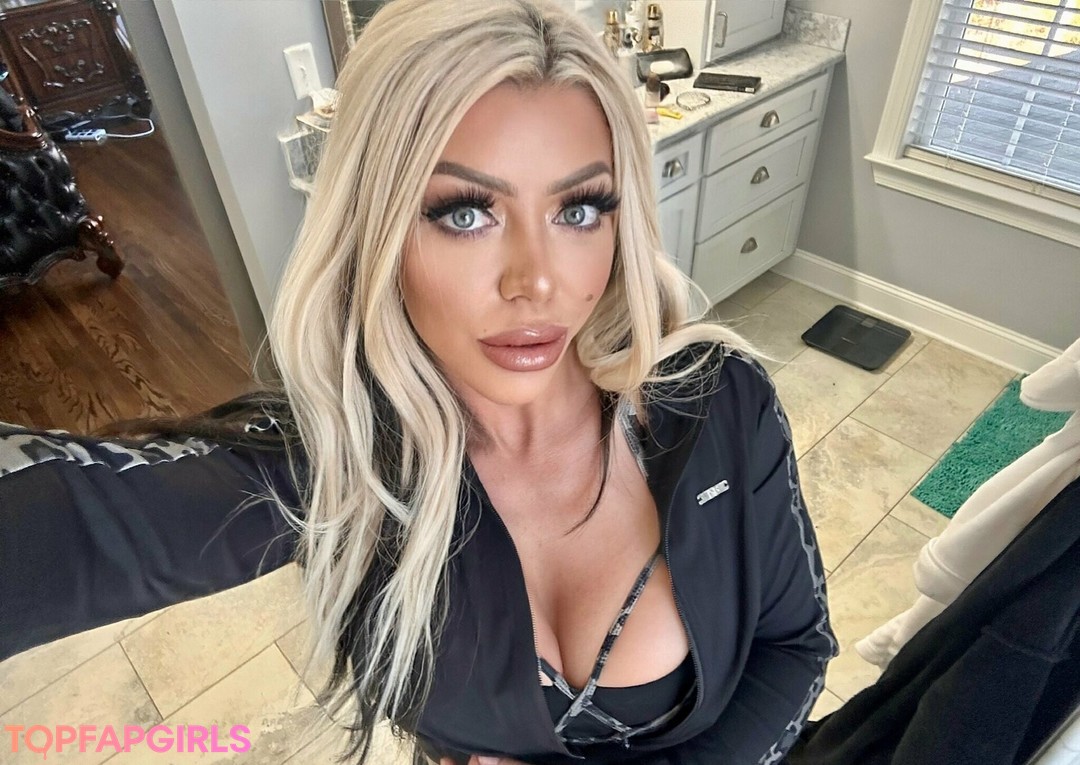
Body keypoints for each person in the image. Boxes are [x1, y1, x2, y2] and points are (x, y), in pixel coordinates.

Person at [0, 1, 837, 763]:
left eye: (579, 208)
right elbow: (71, 527)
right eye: (466, 212)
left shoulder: (716, 399)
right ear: (376, 229)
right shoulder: (340, 466)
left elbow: (795, 647)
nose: (538, 282)